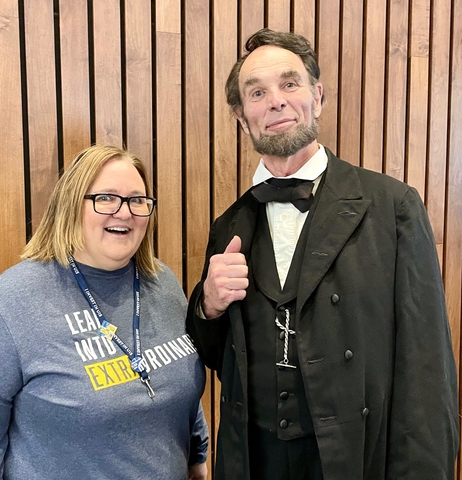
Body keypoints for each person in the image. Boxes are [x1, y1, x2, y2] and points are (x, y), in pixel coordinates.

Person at [186, 28, 459, 480]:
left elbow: (426, 371)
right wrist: (207, 306)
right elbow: (215, 358)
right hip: (255, 463)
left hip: (355, 459)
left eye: (289, 84)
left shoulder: (392, 207)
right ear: (241, 116)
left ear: (317, 95)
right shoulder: (228, 225)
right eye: (257, 92)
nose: (275, 101)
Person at [0, 144, 208, 480]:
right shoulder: (13, 300)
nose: (124, 213)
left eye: (137, 200)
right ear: (72, 205)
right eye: (106, 198)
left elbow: (182, 386)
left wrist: (198, 461)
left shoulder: (162, 281)